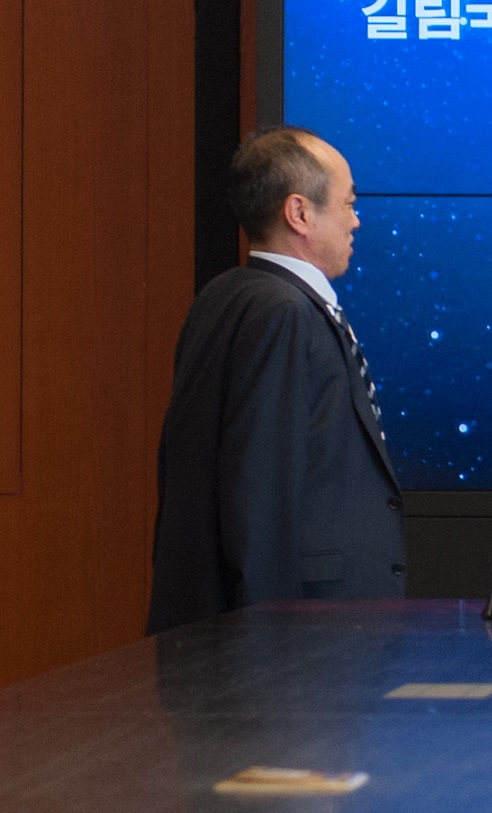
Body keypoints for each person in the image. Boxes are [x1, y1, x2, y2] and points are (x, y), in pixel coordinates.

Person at [147, 127, 403, 633]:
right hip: (302, 637)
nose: (356, 220)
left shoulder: (226, 295)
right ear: (299, 213)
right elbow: (260, 494)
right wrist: (269, 650)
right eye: (348, 204)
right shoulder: (283, 313)